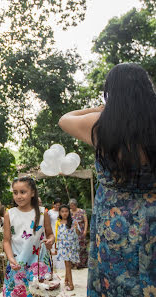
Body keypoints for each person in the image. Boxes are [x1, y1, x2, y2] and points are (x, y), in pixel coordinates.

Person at [59, 63, 156, 296]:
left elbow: (65, 119)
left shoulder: (100, 125)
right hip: (152, 221)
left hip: (113, 226)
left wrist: (101, 107)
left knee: (113, 282)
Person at [3, 176, 54, 297]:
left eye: (22, 192)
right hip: (17, 264)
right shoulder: (9, 214)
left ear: (32, 193)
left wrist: (50, 241)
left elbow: (50, 234)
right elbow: (6, 241)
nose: (18, 196)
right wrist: (11, 258)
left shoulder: (42, 213)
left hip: (39, 264)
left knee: (40, 294)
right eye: (15, 193)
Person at [55, 205, 80, 291]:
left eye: (66, 211)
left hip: (71, 246)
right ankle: (70, 283)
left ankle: (67, 282)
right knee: (67, 265)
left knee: (68, 265)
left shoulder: (73, 222)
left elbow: (77, 234)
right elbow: (57, 235)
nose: (64, 213)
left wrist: (76, 227)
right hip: (63, 247)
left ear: (69, 212)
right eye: (62, 211)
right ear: (60, 213)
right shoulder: (58, 222)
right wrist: (56, 247)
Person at [68, 198, 88, 268]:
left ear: (76, 205)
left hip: (81, 230)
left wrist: (85, 230)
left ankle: (82, 263)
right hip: (72, 231)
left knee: (82, 247)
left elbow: (85, 221)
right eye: (70, 205)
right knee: (72, 247)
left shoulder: (82, 211)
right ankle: (73, 264)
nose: (72, 207)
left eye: (73, 205)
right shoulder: (68, 212)